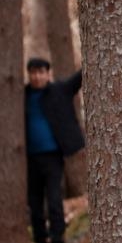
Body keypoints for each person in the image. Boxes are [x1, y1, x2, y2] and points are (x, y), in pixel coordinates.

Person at [24, 57, 84, 243]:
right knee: (34, 201)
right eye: (33, 72)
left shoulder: (59, 90)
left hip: (52, 156)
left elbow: (77, 79)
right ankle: (39, 236)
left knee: (54, 197)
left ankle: (57, 236)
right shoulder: (21, 95)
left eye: (41, 72)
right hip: (28, 158)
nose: (37, 76)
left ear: (48, 74)